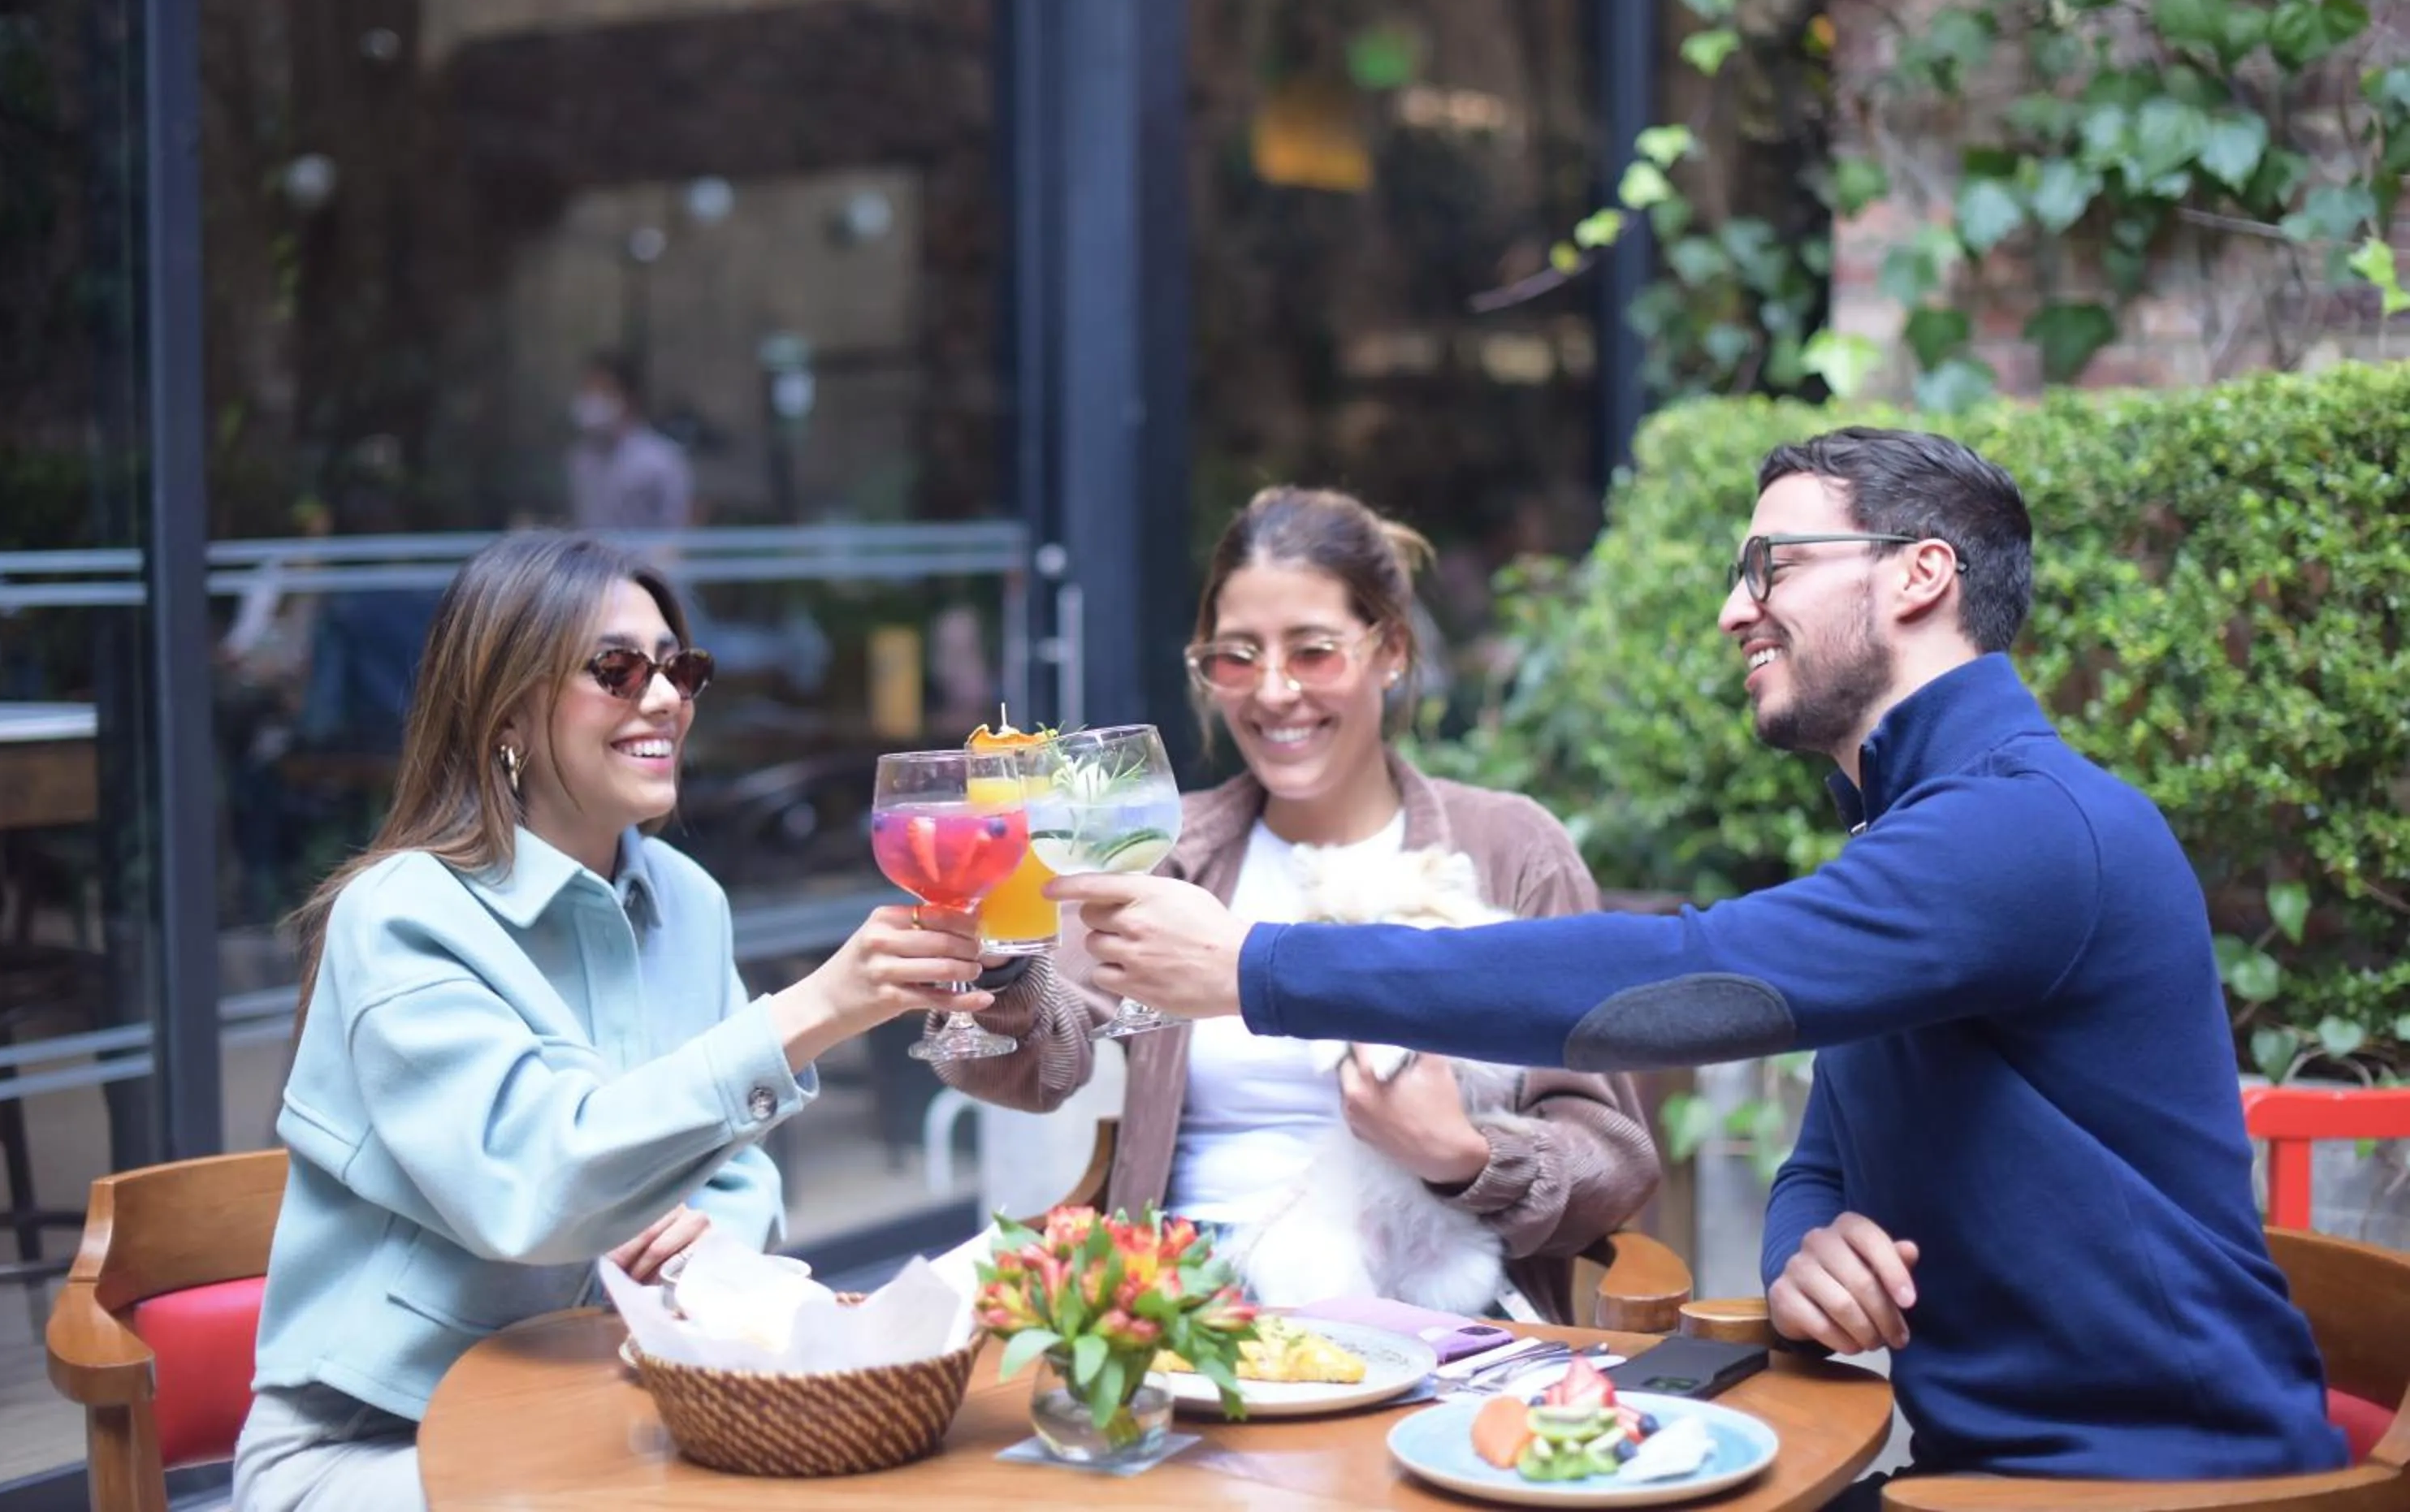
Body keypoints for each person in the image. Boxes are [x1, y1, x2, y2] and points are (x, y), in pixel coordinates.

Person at [1049, 430, 2345, 1486]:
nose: (1736, 608)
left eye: (1771, 563)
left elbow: (1688, 981)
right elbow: (1826, 1155)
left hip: (2157, 1479)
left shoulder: (2024, 829)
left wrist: (1262, 968)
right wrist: (1803, 1245)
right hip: (1987, 1467)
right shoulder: (1931, 835)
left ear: (1918, 574)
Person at [237, 531, 992, 1510]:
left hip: (609, 1409)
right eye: (616, 668)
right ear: (506, 707)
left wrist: (716, 1236)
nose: (666, 696)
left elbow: (739, 1168)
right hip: (378, 1443)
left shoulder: (687, 899)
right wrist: (810, 1010)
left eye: (680, 666)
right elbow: (536, 1185)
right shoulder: (401, 916)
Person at [933, 486, 1659, 1321]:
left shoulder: (1508, 852)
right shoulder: (1169, 855)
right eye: (1237, 658)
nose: (1273, 692)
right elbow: (1028, 1064)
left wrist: (1462, 1156)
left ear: (1389, 650)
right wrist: (998, 966)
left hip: (1431, 1315)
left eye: (1313, 652)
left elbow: (1615, 1157)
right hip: (1185, 1308)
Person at [565, 351, 694, 532]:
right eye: (588, 390)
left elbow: (675, 531)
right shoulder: (579, 458)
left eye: (604, 391)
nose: (594, 400)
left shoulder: (661, 460)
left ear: (630, 398)